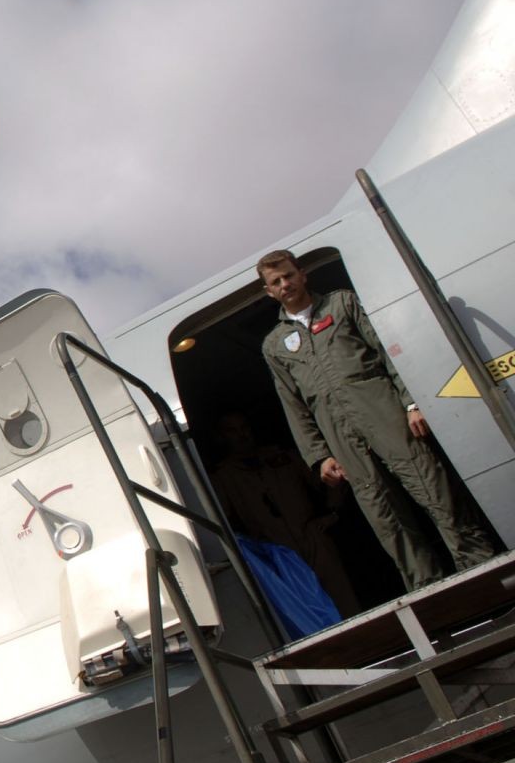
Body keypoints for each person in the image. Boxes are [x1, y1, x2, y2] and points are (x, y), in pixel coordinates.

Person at [257, 250, 497, 590]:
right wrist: (319, 456)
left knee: (437, 494)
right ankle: (434, 592)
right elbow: (293, 405)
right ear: (269, 292)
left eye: (288, 275)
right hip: (341, 437)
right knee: (386, 519)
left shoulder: (341, 304)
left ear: (302, 274)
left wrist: (411, 402)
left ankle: (485, 572)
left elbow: (386, 351)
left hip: (386, 415)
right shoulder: (275, 345)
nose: (285, 284)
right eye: (276, 282)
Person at [211, 411, 361, 616]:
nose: (241, 435)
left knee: (344, 603)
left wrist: (333, 512)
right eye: (232, 431)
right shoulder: (223, 476)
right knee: (308, 612)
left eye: (244, 428)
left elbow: (329, 479)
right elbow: (222, 522)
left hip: (313, 537)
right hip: (277, 552)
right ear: (222, 437)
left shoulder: (281, 456)